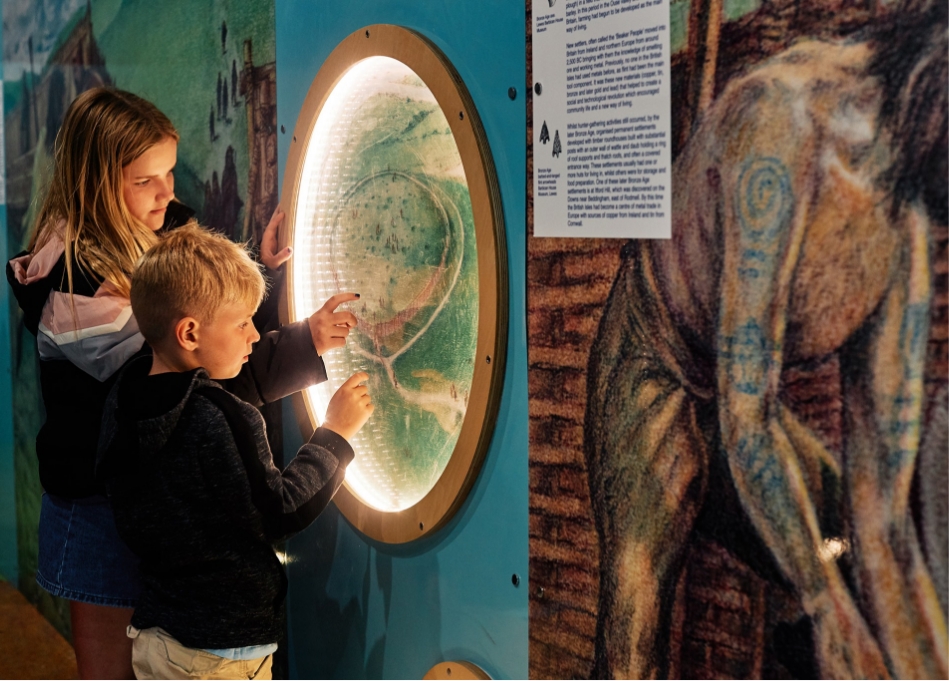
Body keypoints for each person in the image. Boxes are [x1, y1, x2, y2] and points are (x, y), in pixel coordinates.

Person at [584, 0, 947, 677]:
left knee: (845, 543)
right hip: (657, 366)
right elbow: (745, 421)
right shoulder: (780, 124)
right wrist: (825, 602)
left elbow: (882, 528)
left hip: (745, 407)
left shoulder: (904, 231)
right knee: (630, 648)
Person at [5, 87, 356, 678]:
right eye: (146, 180)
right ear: (96, 182)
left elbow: (211, 334)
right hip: (96, 515)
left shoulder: (160, 236)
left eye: (169, 172)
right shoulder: (80, 298)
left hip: (159, 519)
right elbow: (207, 373)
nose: (169, 192)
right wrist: (305, 345)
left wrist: (261, 275)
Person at [96, 225, 372, 680]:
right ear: (189, 333)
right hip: (224, 653)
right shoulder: (217, 417)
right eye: (243, 322)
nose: (254, 337)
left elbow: (215, 387)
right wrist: (334, 435)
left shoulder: (125, 397)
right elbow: (279, 511)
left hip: (159, 637)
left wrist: (308, 341)